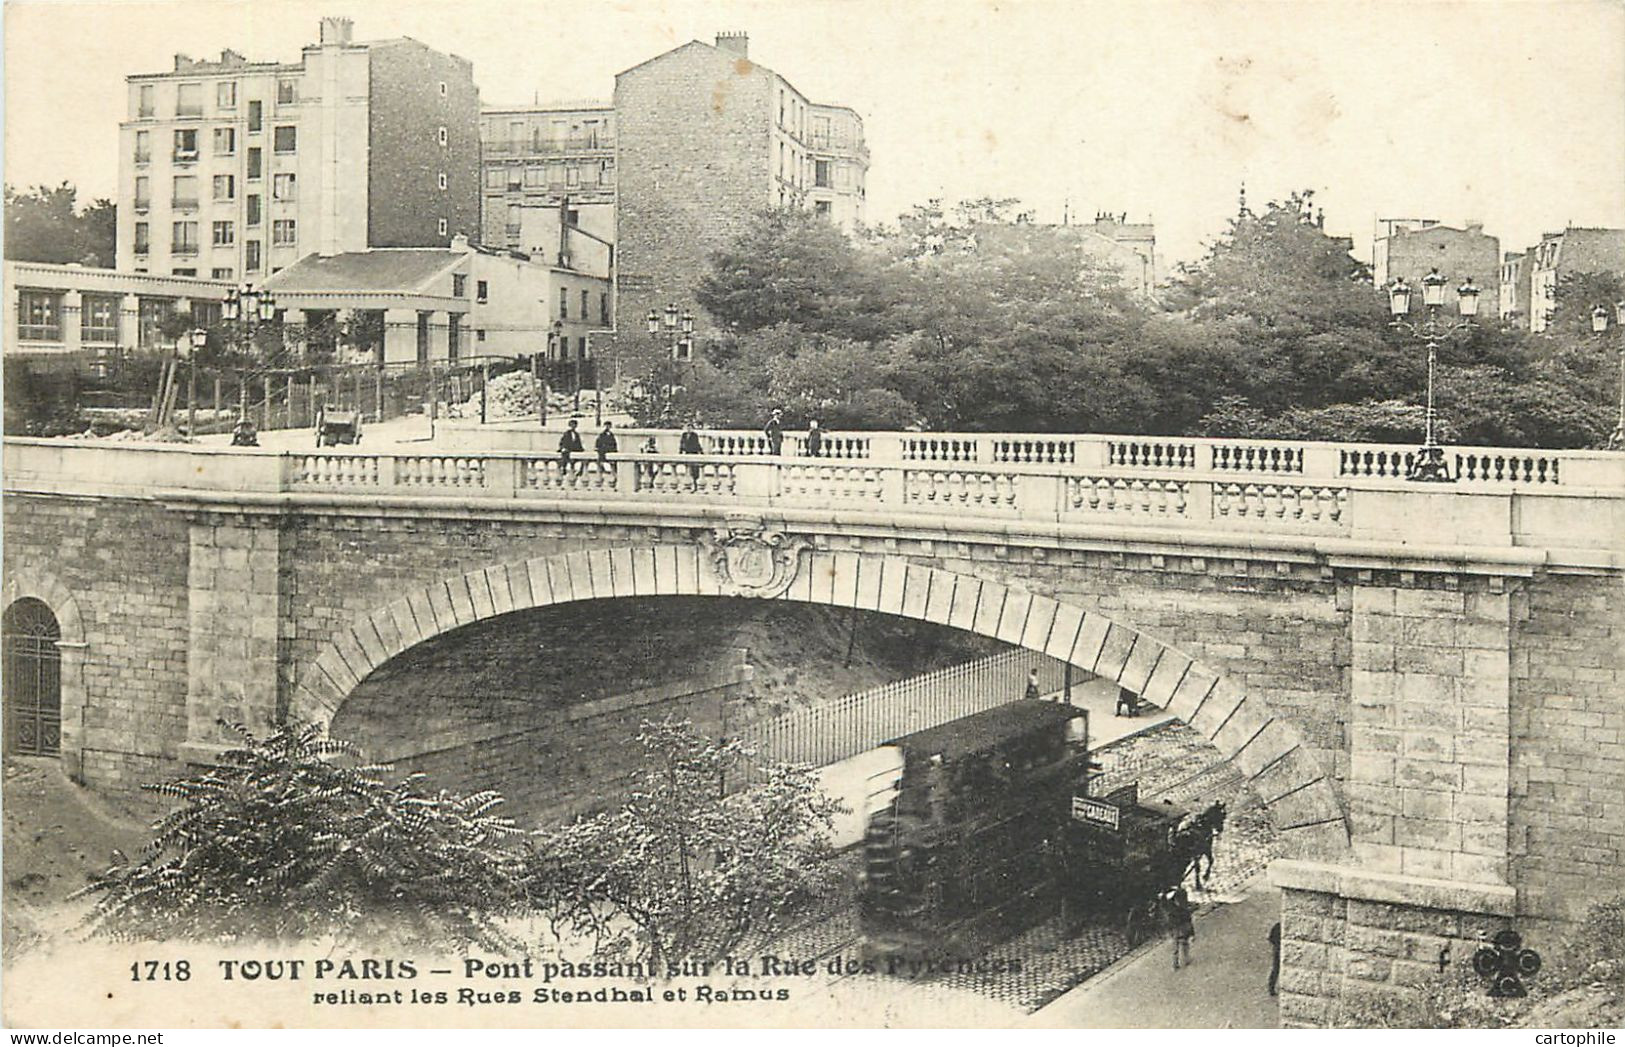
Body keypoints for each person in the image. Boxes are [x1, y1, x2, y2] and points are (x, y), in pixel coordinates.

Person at [1168, 886, 1195, 970]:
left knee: (1183, 944)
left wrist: (1192, 932)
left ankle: (1184, 960)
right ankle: (1176, 963)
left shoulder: (1178, 909)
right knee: (1178, 946)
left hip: (1180, 928)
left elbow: (1188, 920)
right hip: (1177, 928)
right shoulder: (1175, 910)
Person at [1267, 921, 1282, 996]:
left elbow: (1270, 938)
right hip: (1278, 950)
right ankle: (1271, 988)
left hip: (1277, 949)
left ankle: (1271, 987)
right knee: (1276, 969)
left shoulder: (1277, 926)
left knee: (1275, 969)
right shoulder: (1278, 926)